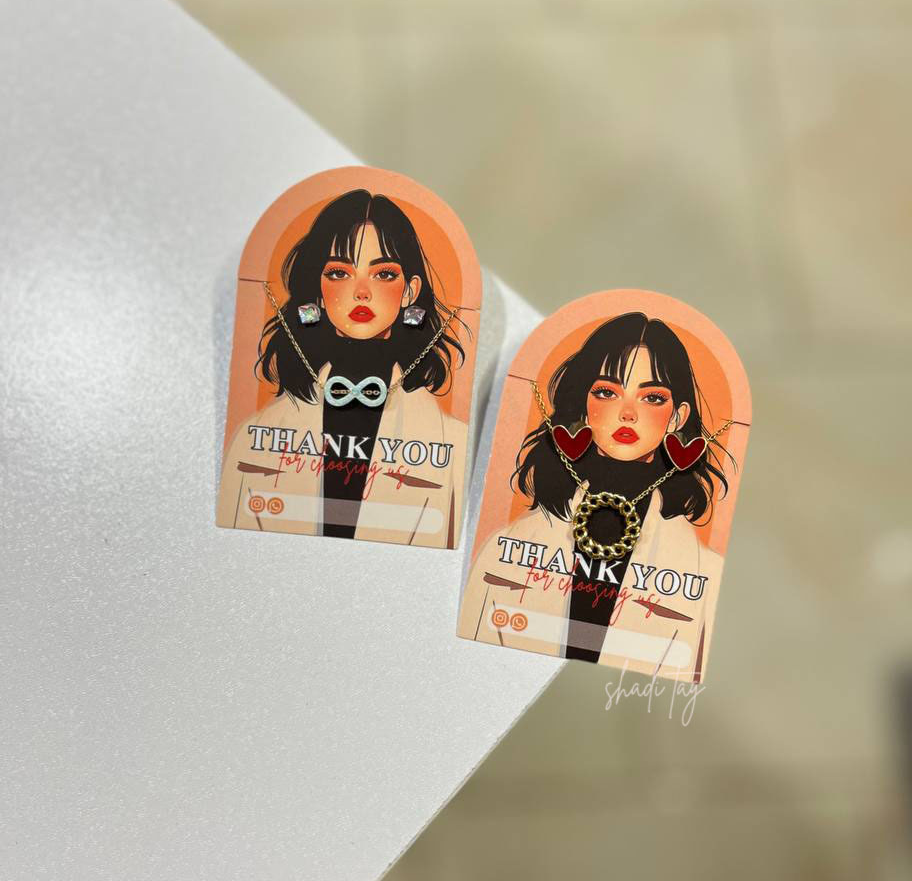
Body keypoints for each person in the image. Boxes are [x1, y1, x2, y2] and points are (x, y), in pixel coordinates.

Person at [458, 313, 733, 680]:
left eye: (652, 397)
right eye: (607, 392)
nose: (628, 413)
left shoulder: (702, 573)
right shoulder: (503, 550)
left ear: (677, 417)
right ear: (583, 402)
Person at [217, 189, 468, 548]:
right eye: (339, 273)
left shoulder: (451, 441)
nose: (361, 292)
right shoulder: (254, 435)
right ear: (317, 289)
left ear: (410, 292)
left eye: (383, 274)